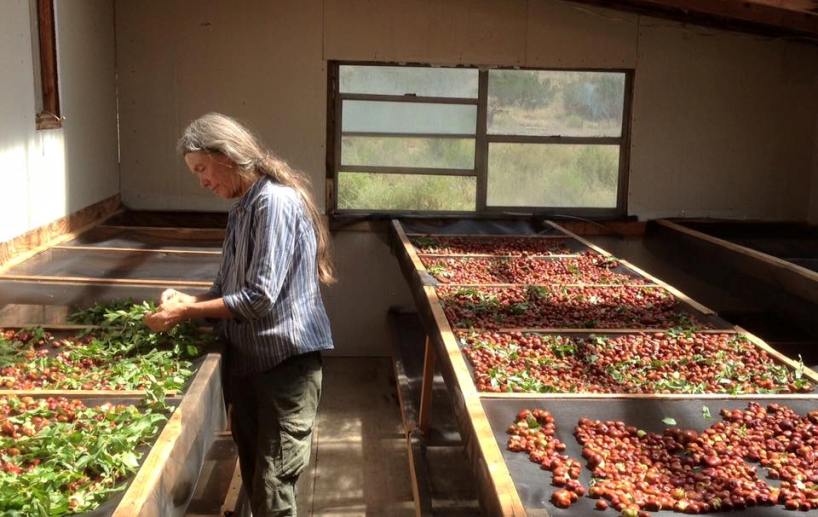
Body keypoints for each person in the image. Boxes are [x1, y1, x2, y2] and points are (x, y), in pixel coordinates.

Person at [144, 112, 334, 516]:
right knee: (255, 478)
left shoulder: (273, 203)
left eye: (202, 169)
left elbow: (258, 298)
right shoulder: (242, 210)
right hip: (250, 365)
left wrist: (187, 311)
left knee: (272, 487)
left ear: (226, 156)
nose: (202, 181)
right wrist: (186, 300)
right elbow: (225, 291)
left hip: (286, 367)